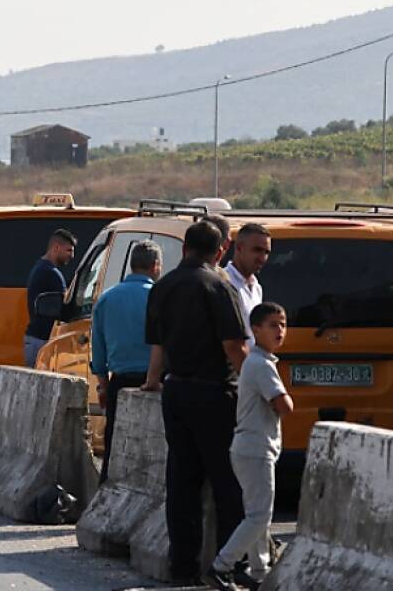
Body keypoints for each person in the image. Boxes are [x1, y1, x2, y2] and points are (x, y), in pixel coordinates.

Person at [144, 219, 249, 584]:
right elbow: (233, 345)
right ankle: (228, 566)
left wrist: (152, 380)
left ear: (185, 247)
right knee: (227, 483)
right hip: (214, 393)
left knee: (182, 482)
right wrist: (258, 385)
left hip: (175, 392)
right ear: (220, 252)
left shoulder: (163, 286)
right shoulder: (218, 285)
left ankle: (183, 567)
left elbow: (157, 344)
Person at [207, 302, 294, 591]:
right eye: (273, 325)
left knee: (257, 514)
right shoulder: (261, 365)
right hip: (255, 448)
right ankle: (222, 566)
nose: (280, 330)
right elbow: (284, 405)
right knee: (259, 516)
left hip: (251, 447)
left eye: (283, 324)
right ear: (256, 330)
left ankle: (259, 571)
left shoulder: (261, 361)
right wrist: (288, 399)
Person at [91, 239, 162, 481]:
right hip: (156, 382)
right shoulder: (160, 297)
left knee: (114, 446)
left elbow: (98, 350)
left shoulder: (107, 299)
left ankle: (106, 491)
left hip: (119, 383)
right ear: (155, 265)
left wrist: (103, 385)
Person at [24, 229, 77, 367]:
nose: (72, 256)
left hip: (36, 340)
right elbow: (65, 309)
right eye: (69, 250)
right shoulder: (50, 273)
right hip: (42, 341)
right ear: (56, 248)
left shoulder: (40, 268)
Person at [226, 223, 271, 334]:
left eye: (266, 252)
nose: (262, 258)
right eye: (257, 250)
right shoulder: (223, 282)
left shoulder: (257, 287)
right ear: (239, 248)